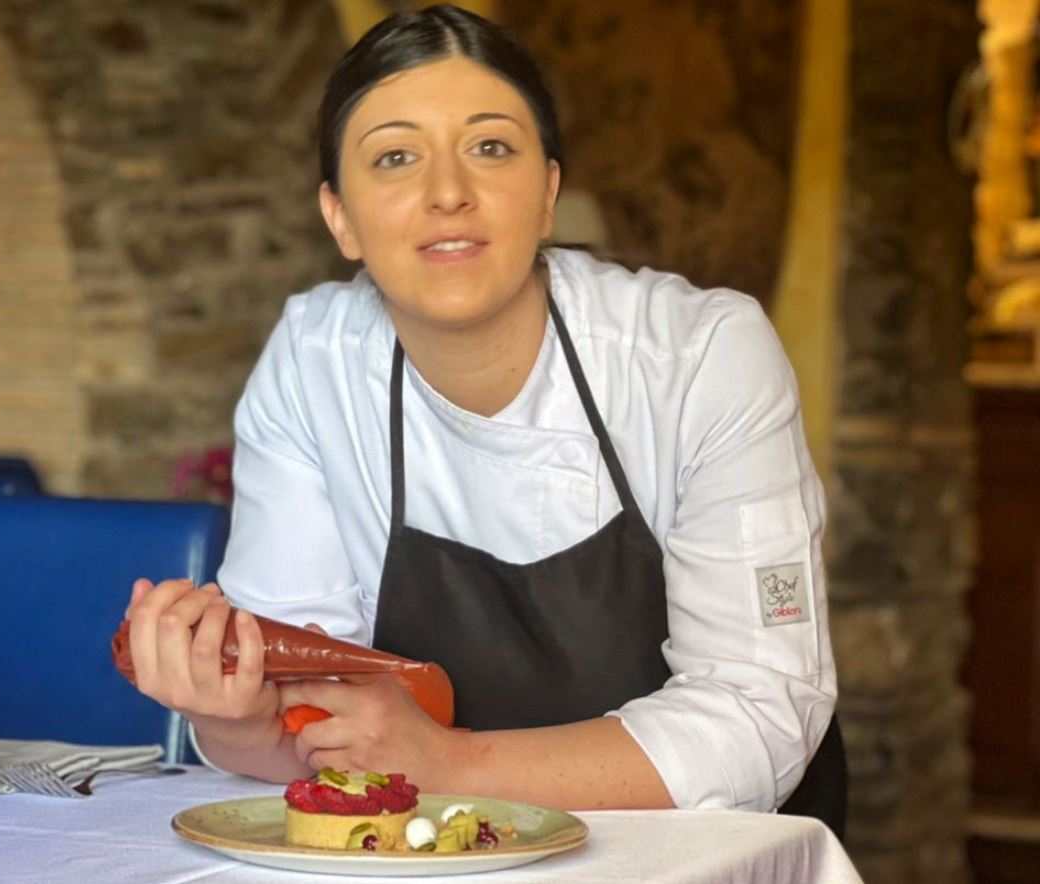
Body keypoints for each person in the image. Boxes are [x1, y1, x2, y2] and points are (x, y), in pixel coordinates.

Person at [124, 4, 844, 831]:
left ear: (547, 193)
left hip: (704, 858)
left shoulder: (697, 355)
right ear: (340, 218)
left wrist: (452, 761)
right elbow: (314, 726)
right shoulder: (315, 362)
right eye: (395, 158)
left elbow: (761, 711)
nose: (448, 194)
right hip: (444, 853)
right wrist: (236, 716)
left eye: (490, 147)